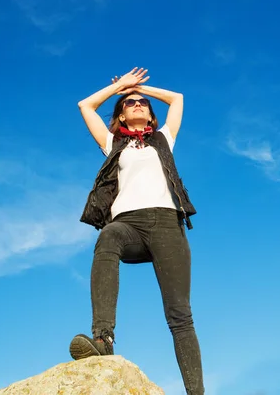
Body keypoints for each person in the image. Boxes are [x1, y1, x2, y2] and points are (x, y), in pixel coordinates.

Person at [69, 67, 205, 394]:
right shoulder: (113, 142)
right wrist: (119, 87)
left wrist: (142, 87)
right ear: (120, 115)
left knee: (180, 316)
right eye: (130, 103)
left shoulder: (164, 139)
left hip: (167, 225)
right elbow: (85, 106)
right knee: (108, 236)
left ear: (152, 116)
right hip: (128, 224)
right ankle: (103, 339)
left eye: (143, 102)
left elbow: (177, 99)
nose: (138, 104)